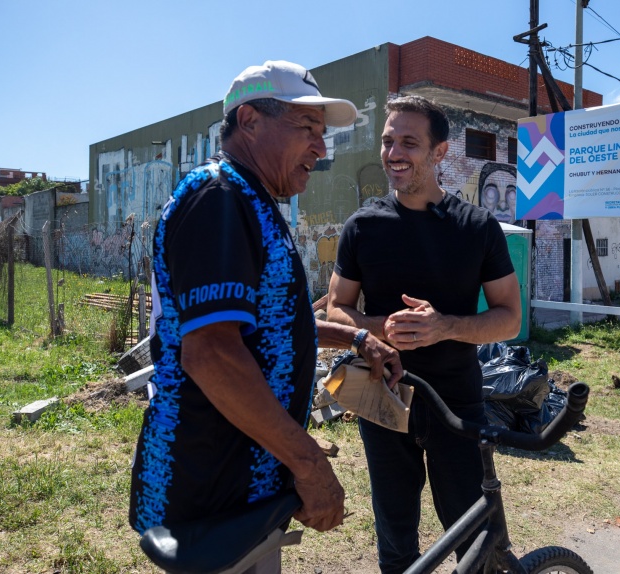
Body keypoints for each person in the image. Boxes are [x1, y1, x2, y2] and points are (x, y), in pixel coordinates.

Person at [128, 60, 402, 572]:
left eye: (323, 135)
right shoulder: (220, 199)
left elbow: (271, 326)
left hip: (245, 485)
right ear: (250, 120)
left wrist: (357, 340)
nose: (321, 149)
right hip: (214, 487)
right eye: (306, 129)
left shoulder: (249, 200)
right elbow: (212, 354)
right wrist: (311, 465)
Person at [327, 95, 522, 573]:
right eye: (388, 141)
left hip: (457, 403)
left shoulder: (477, 228)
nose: (394, 152)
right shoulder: (363, 227)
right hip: (383, 399)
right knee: (395, 539)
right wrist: (381, 327)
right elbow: (336, 308)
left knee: (474, 538)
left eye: (409, 142)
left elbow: (509, 317)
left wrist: (445, 327)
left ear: (439, 152)